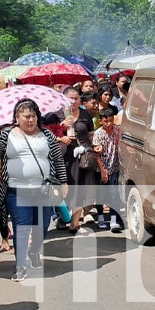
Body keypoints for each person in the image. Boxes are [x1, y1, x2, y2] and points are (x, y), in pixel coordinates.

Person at [0, 99, 68, 282]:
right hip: (16, 190)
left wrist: (63, 181)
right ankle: (20, 267)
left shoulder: (47, 135)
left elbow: (58, 160)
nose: (31, 120)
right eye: (26, 116)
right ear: (17, 117)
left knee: (43, 226)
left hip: (43, 189)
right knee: (22, 227)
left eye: (34, 116)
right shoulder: (5, 135)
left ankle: (34, 250)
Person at [57, 87, 96, 235]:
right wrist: (61, 135)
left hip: (81, 156)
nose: (73, 101)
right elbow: (47, 134)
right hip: (62, 155)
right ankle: (63, 217)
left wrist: (89, 148)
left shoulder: (85, 114)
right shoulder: (56, 114)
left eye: (76, 98)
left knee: (80, 188)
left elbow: (90, 135)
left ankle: (74, 224)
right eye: (70, 98)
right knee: (63, 188)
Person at [92, 108, 122, 232]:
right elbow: (97, 155)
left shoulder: (117, 131)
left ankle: (114, 220)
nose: (109, 123)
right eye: (106, 121)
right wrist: (103, 171)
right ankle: (101, 218)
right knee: (101, 195)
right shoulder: (98, 134)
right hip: (101, 168)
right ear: (100, 121)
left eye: (110, 120)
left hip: (114, 167)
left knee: (114, 194)